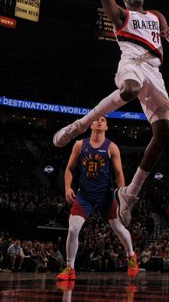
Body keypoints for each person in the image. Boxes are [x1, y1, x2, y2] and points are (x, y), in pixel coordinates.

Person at [53, 0, 169, 228]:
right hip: (131, 63)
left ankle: (130, 195)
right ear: (125, 0)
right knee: (129, 88)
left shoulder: (156, 16)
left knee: (164, 134)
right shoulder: (120, 15)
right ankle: (81, 124)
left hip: (155, 70)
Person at [56, 116, 138, 281]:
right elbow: (69, 168)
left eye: (103, 120)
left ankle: (131, 255)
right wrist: (67, 187)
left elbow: (119, 173)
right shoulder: (80, 144)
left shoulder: (112, 147)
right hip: (84, 195)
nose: (99, 121)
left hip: (105, 196)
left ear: (106, 127)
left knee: (118, 228)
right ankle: (70, 268)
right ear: (90, 124)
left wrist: (122, 194)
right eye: (96, 119)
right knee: (73, 229)